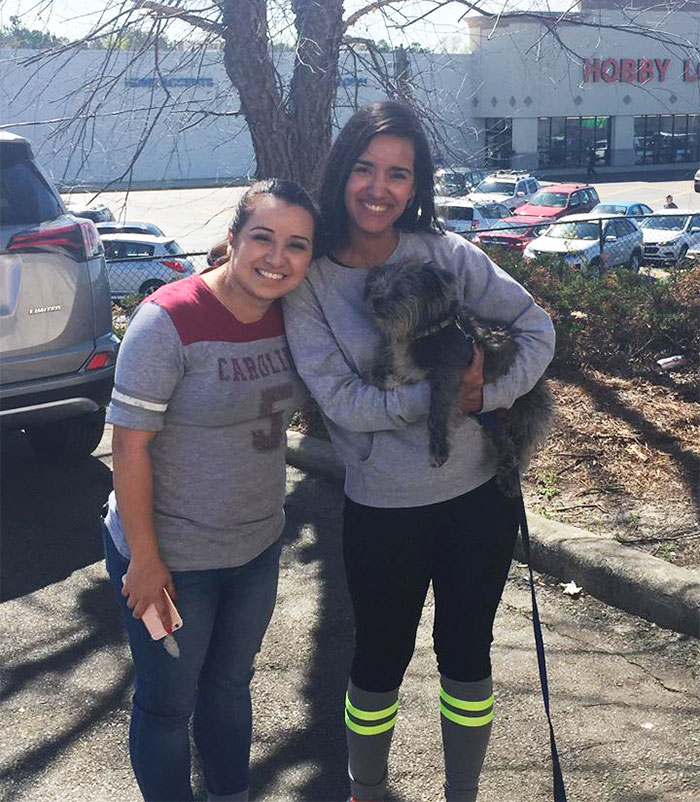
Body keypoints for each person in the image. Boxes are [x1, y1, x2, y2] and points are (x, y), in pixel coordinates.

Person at [283, 101, 555, 802]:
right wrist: (437, 396)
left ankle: (460, 794)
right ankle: (365, 791)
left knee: (467, 658)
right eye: (366, 169)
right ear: (343, 171)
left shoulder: (444, 254)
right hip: (384, 510)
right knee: (379, 660)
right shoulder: (308, 280)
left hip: (478, 503)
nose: (380, 188)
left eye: (398, 174)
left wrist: (486, 397)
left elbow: (534, 326)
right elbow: (341, 403)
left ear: (416, 183)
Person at [102, 178, 317, 802]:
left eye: (296, 245)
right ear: (232, 240)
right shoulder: (167, 320)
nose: (277, 257)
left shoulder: (296, 318)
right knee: (169, 704)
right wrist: (145, 561)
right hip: (169, 560)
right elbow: (129, 446)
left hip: (254, 549)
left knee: (229, 686)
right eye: (263, 238)